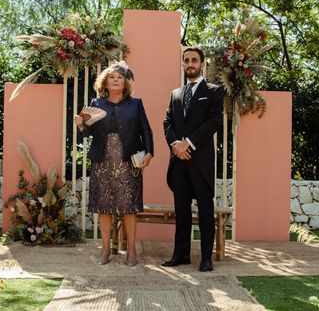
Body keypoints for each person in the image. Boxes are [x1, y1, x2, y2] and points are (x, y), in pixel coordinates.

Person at [74, 62, 154, 266]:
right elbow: (87, 133)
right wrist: (80, 124)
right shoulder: (96, 103)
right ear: (105, 82)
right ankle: (105, 249)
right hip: (103, 160)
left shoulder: (135, 104)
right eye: (112, 77)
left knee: (129, 206)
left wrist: (149, 153)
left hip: (128, 160)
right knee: (104, 206)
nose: (116, 80)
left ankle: (132, 251)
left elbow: (146, 130)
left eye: (120, 77)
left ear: (125, 82)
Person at [162, 47, 224, 272]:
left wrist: (188, 143)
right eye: (186, 60)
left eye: (194, 60)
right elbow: (167, 123)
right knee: (182, 212)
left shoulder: (214, 92)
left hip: (200, 161)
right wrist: (176, 145)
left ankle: (206, 258)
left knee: (206, 211)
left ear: (202, 64)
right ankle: (181, 255)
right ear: (183, 64)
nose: (190, 64)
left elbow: (213, 122)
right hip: (178, 161)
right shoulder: (175, 94)